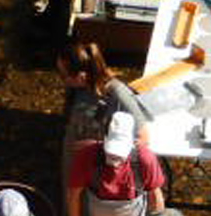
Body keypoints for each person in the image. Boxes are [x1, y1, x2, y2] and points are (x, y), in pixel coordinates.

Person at [58, 42, 150, 193]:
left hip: (99, 163)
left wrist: (100, 148)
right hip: (74, 155)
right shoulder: (77, 88)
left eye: (63, 75)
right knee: (70, 196)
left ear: (81, 76)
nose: (61, 79)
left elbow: (144, 138)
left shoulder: (117, 93)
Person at [67, 111, 166, 216]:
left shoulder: (145, 159)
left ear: (133, 143)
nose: (114, 159)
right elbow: (73, 196)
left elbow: (155, 197)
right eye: (110, 152)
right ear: (104, 139)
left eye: (120, 154)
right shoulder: (87, 156)